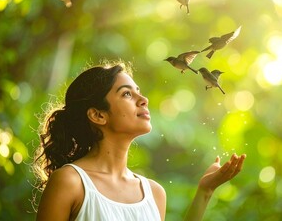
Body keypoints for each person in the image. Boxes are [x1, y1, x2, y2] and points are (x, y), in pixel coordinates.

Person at [33, 60, 246, 221]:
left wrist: (205, 191)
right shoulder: (70, 182)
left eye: (139, 92)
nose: (143, 100)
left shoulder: (153, 193)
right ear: (98, 115)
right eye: (126, 94)